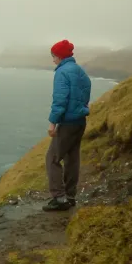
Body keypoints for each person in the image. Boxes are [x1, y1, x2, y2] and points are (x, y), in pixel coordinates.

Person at [42, 39, 91, 212]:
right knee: (72, 158)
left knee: (52, 158)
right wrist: (81, 107)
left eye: (54, 56)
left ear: (60, 56)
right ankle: (70, 197)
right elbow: (86, 89)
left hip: (67, 123)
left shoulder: (62, 72)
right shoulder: (79, 71)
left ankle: (59, 198)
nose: (53, 59)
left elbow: (60, 100)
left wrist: (52, 123)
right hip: (80, 121)